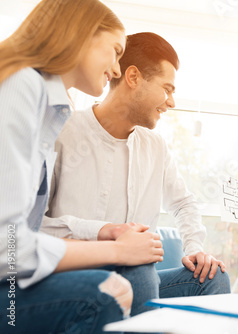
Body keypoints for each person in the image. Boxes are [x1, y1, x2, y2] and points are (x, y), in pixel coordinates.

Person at [0, 1, 164, 333]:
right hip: (9, 290)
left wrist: (103, 232)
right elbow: (9, 248)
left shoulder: (47, 105)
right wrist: (116, 248)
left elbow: (24, 231)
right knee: (107, 292)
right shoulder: (23, 86)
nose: (117, 69)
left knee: (139, 272)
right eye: (116, 51)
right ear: (82, 35)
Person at [40, 32, 231, 316]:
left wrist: (193, 248)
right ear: (133, 77)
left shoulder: (155, 146)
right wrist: (103, 234)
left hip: (140, 279)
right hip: (71, 276)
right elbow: (32, 228)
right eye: (167, 89)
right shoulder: (63, 132)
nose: (171, 102)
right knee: (139, 270)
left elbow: (183, 204)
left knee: (213, 278)